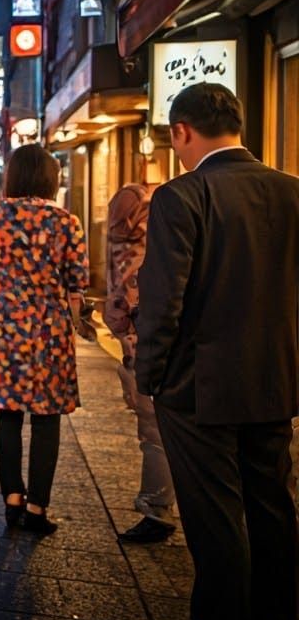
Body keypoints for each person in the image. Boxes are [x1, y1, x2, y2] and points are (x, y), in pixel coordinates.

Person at [136, 83, 299, 620]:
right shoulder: (290, 192)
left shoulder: (183, 195)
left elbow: (162, 301)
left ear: (181, 132)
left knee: (216, 515)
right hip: (274, 381)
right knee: (272, 504)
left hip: (198, 387)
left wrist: (148, 375)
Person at [0, 144, 88, 534]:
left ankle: (12, 500)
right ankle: (37, 509)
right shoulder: (68, 222)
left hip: (5, 326)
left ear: (12, 176)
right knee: (47, 419)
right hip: (51, 328)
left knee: (8, 414)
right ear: (52, 178)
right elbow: (78, 283)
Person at [104, 180, 177, 544]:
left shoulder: (125, 250)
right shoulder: (167, 236)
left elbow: (119, 308)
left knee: (153, 429)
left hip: (142, 346)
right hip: (173, 343)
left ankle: (157, 508)